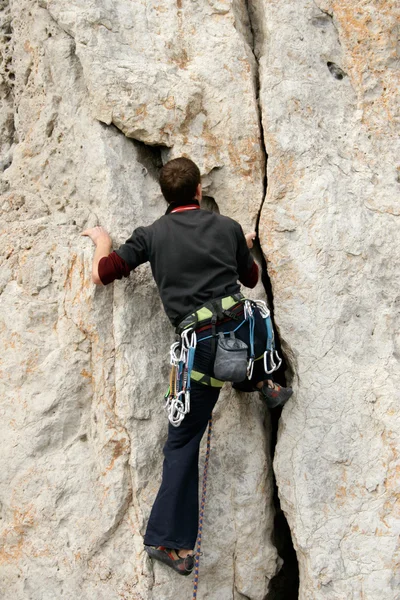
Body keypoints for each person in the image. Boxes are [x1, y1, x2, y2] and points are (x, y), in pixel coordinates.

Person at [82, 157, 292, 576]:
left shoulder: (151, 236)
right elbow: (250, 279)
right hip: (241, 338)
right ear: (198, 190)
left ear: (166, 197)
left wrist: (102, 241)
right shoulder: (227, 227)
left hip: (197, 351)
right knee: (249, 316)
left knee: (182, 444)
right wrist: (240, 246)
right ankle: (266, 380)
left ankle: (170, 543)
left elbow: (102, 274)